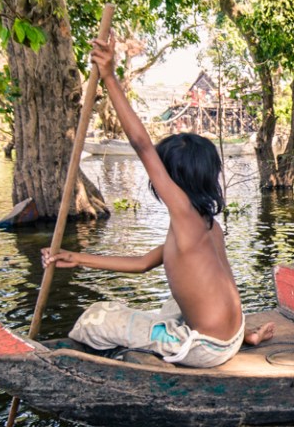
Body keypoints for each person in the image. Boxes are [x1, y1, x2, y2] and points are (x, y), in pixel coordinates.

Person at [42, 33, 273, 367]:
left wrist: (108, 76)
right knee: (171, 304)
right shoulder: (207, 225)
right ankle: (242, 338)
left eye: (161, 174)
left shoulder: (185, 216)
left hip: (206, 348)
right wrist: (77, 258)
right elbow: (142, 264)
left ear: (173, 179)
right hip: (233, 334)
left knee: (95, 318)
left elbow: (142, 145)